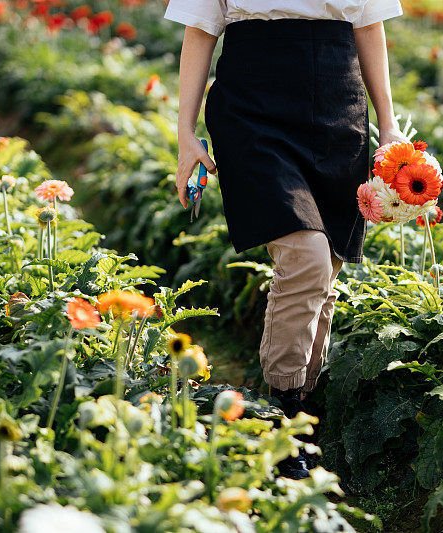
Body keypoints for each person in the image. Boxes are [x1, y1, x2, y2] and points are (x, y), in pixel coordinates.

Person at [164, 0, 407, 479]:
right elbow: (199, 29)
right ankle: (282, 416)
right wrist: (184, 133)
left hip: (339, 101)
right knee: (307, 256)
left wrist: (389, 124)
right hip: (252, 105)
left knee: (327, 263)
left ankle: (301, 413)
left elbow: (369, 24)